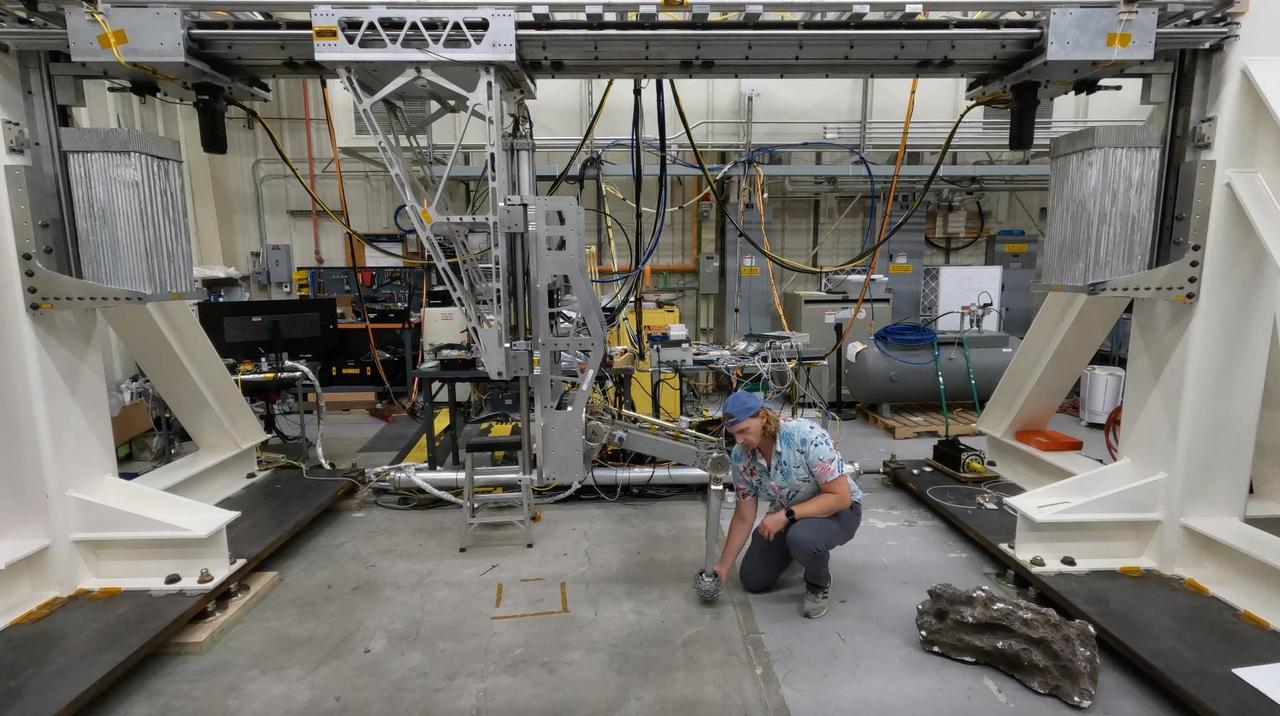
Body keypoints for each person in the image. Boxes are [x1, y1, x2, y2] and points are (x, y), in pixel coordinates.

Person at [712, 390, 862, 618]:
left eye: (743, 431)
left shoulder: (805, 435)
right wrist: (723, 567)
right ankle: (796, 550)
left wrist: (785, 516)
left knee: (803, 539)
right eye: (734, 434)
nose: (739, 440)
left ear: (762, 417)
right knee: (754, 579)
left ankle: (817, 585)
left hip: (838, 510)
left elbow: (840, 497)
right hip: (790, 515)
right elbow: (744, 516)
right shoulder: (741, 457)